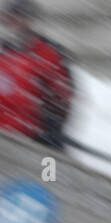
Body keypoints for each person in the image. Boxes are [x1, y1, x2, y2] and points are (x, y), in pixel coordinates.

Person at [0, 0, 74, 150]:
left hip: (33, 142)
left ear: (31, 21)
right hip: (5, 140)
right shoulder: (3, 53)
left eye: (22, 18)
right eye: (11, 18)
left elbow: (60, 102)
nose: (17, 23)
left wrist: (49, 137)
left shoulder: (47, 54)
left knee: (49, 172)